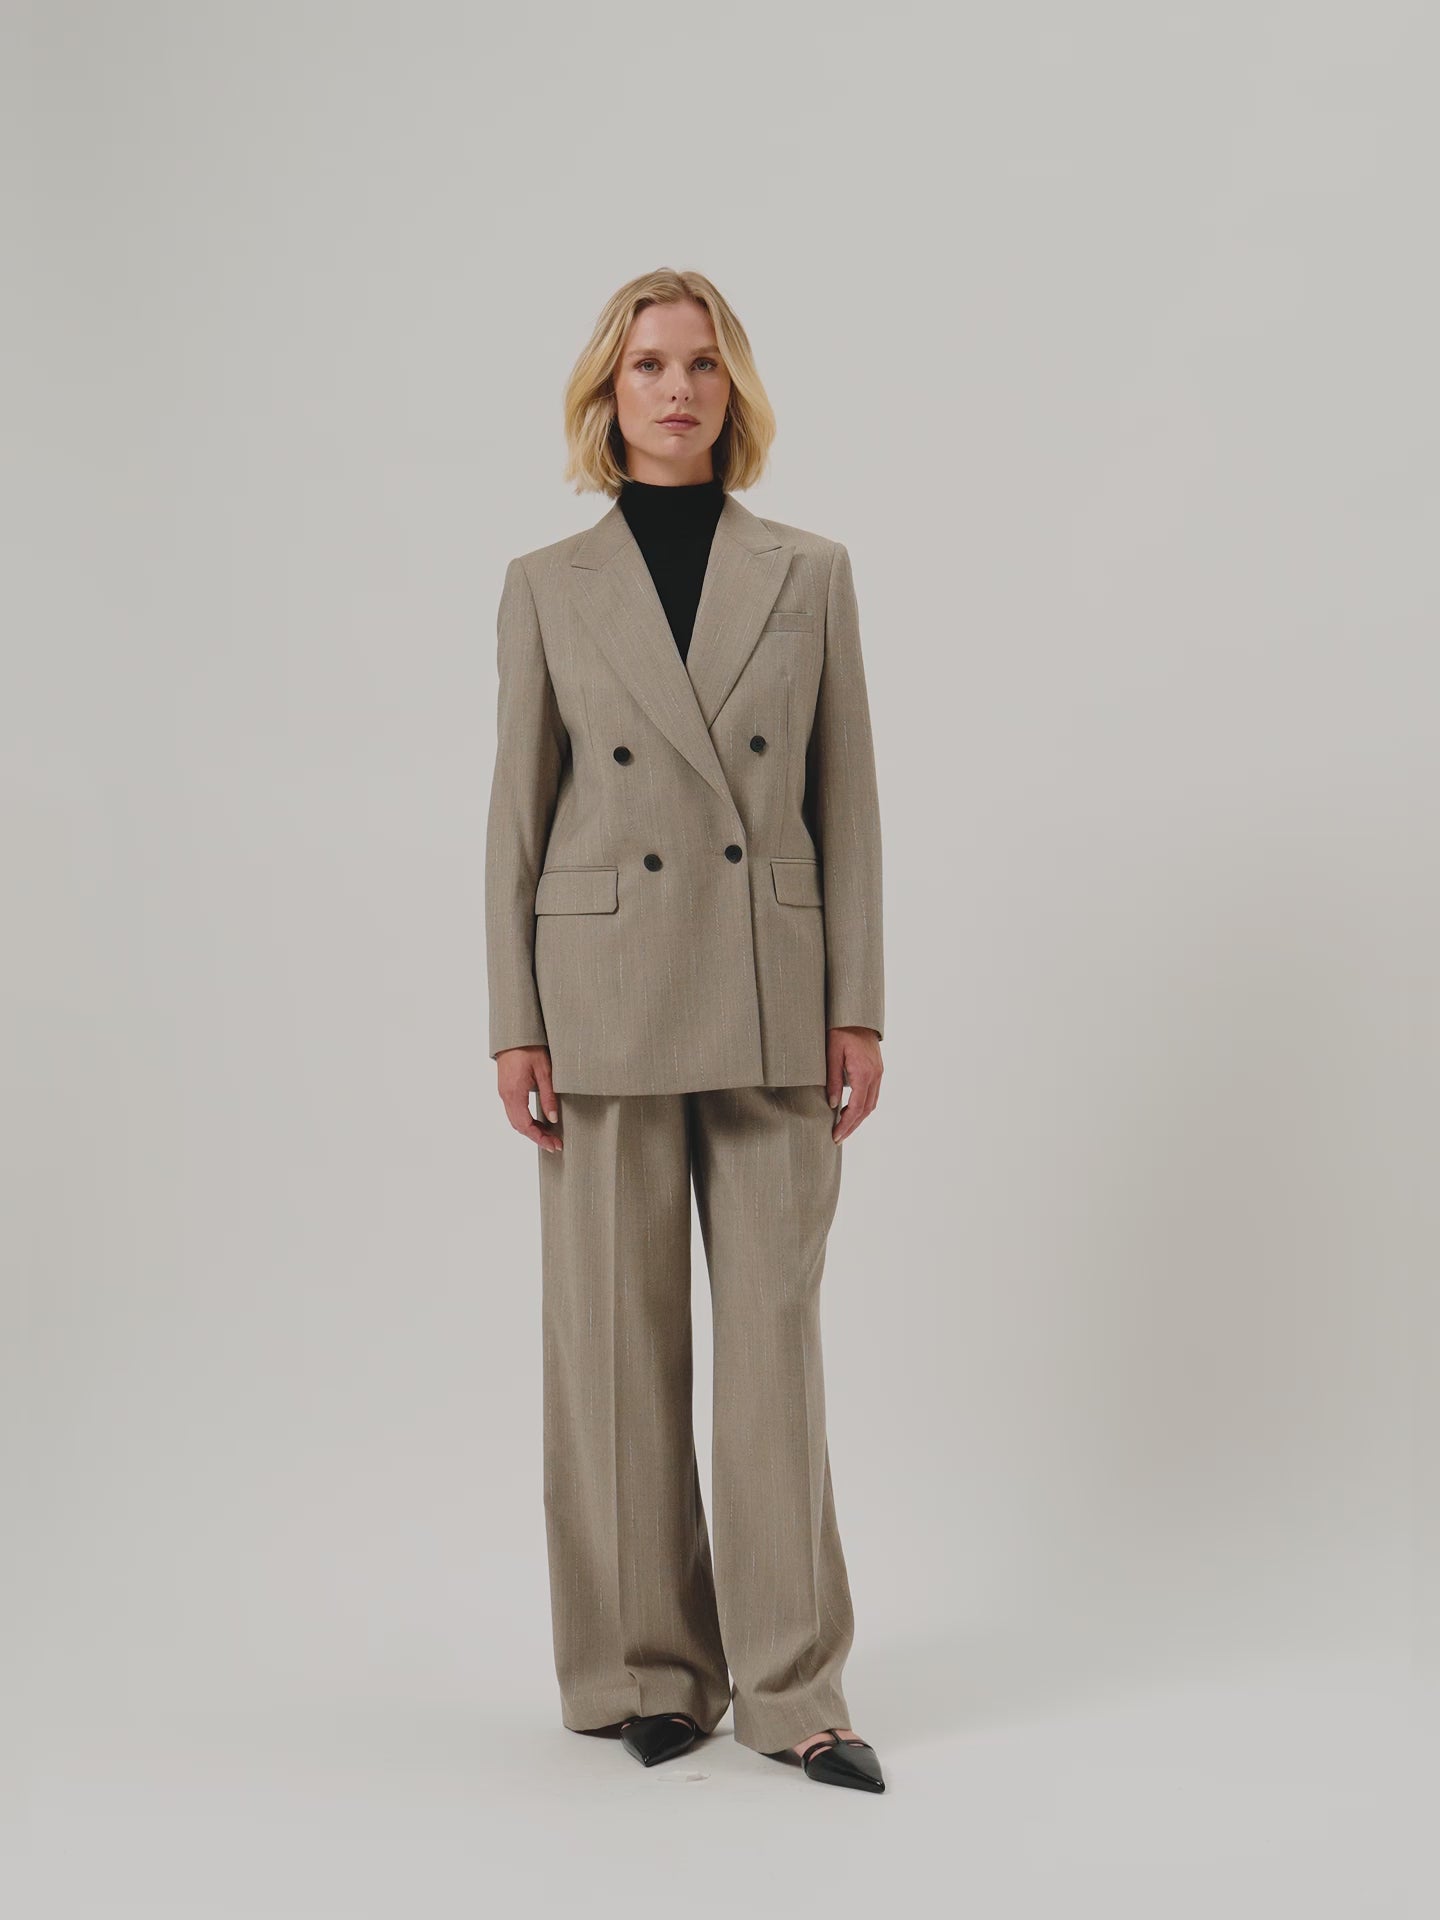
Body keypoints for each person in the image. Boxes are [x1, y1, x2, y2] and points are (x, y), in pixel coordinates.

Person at [485, 268, 886, 1794]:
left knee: (773, 1348)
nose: (676, 389)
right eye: (649, 364)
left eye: (702, 365)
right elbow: (515, 815)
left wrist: (858, 1003)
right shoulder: (546, 583)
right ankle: (645, 1673)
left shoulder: (810, 570)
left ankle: (796, 1690)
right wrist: (513, 1020)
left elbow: (848, 799)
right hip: (601, 994)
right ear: (610, 391)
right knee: (616, 1345)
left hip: (774, 989)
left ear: (735, 389)